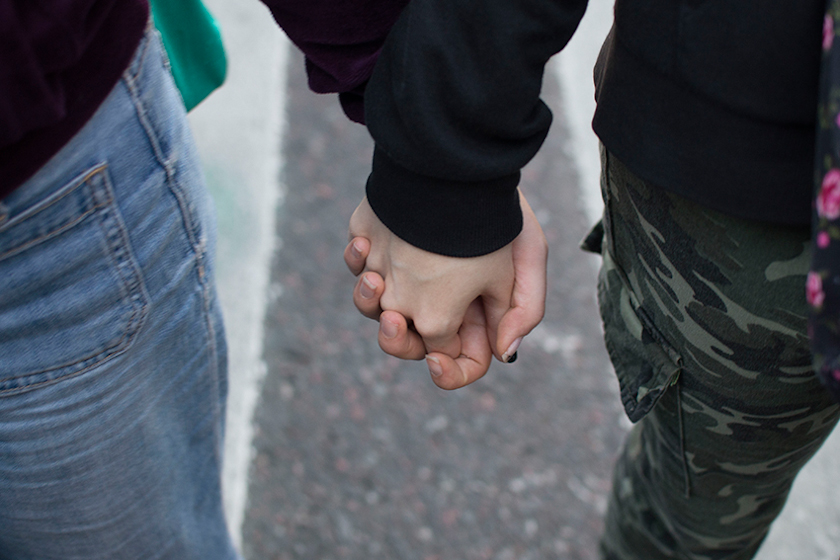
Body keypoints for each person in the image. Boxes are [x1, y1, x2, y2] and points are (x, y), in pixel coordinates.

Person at [329, 0, 840, 558]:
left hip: (745, 170)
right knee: (692, 525)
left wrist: (445, 175)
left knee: (690, 528)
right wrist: (447, 184)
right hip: (756, 184)